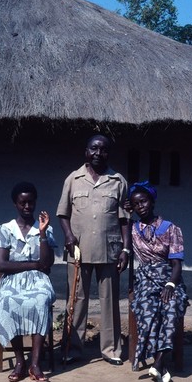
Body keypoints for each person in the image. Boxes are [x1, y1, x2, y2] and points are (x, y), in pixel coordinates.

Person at [56, 134, 130, 366]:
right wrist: (68, 236)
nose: (98, 153)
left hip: (110, 250)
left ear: (109, 153)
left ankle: (111, 349)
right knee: (76, 300)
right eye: (94, 149)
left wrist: (126, 249)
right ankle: (73, 348)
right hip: (78, 250)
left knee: (109, 301)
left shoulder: (118, 181)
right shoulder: (73, 179)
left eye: (104, 149)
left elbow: (125, 220)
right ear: (86, 151)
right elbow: (63, 213)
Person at [0, 181, 56, 382]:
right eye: (22, 203)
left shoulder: (46, 228)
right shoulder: (5, 229)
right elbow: (1, 265)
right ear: (15, 204)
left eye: (31, 202)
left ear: (35, 203)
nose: (27, 207)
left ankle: (35, 364)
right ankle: (20, 361)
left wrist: (42, 234)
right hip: (11, 281)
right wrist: (34, 265)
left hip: (38, 281)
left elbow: (47, 263)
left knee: (41, 300)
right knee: (7, 302)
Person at [128, 181, 189, 382]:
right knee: (148, 308)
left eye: (143, 201)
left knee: (171, 306)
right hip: (145, 278)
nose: (140, 206)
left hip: (169, 278)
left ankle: (158, 362)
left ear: (152, 201)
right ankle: (160, 365)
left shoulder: (171, 228)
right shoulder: (133, 229)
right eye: (136, 204)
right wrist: (125, 213)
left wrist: (171, 285)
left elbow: (176, 264)